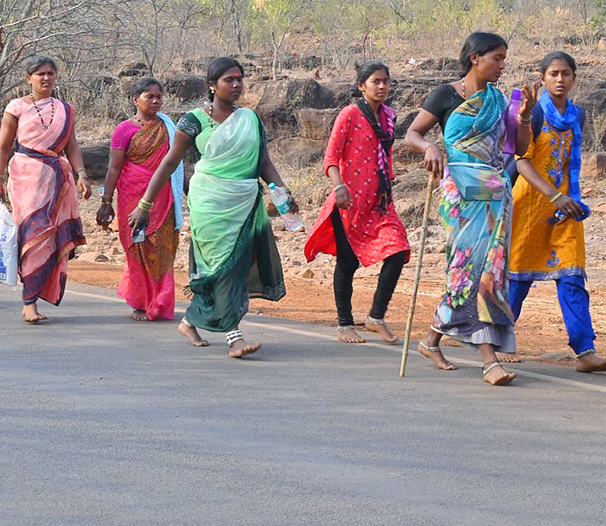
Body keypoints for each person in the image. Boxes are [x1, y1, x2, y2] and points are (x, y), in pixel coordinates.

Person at [130, 58, 293, 357]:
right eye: (229, 79)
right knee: (223, 267)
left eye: (240, 79)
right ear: (211, 85)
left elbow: (263, 163)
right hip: (209, 203)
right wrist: (145, 204)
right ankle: (235, 338)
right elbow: (169, 162)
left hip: (244, 202)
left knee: (237, 266)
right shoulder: (194, 120)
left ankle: (191, 321)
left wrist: (281, 192)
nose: (236, 85)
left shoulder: (251, 120)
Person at [405, 32, 536, 386]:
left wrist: (524, 117)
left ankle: (432, 338)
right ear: (475, 57)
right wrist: (429, 147)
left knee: (483, 268)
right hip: (460, 191)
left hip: (494, 193)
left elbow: (519, 148)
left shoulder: (500, 100)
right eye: (497, 57)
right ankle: (489, 360)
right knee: (472, 267)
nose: (502, 65)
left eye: (504, 58)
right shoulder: (445, 95)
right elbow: (412, 134)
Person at [505, 51, 605, 373]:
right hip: (532, 205)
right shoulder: (533, 113)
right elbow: (521, 160)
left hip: (567, 207)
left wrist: (565, 199)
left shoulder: (578, 114)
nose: (560, 79)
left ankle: (585, 352)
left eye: (566, 73)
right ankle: (497, 342)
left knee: (572, 276)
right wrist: (553, 195)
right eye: (553, 74)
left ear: (574, 77)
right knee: (517, 280)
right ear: (543, 78)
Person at [303, 61, 411, 344]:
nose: (383, 86)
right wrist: (338, 185)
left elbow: (384, 153)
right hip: (349, 200)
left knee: (399, 251)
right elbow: (331, 155)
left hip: (380, 202)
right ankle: (344, 324)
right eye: (376, 81)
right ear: (362, 85)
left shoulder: (389, 116)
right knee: (348, 262)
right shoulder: (350, 114)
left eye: (386, 81)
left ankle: (376, 316)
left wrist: (389, 176)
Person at [0, 55, 90, 323]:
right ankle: (29, 302)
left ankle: (33, 298)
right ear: (28, 78)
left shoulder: (64, 109)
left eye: (50, 73)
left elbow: (72, 146)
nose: (46, 78)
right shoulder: (16, 107)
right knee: (33, 236)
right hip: (26, 177)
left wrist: (81, 175)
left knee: (50, 239)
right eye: (40, 74)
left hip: (58, 180)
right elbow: (3, 146)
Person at [97, 77, 184, 322]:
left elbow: (175, 164)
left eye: (159, 96)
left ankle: (159, 301)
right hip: (131, 195)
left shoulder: (167, 126)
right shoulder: (124, 129)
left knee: (162, 248)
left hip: (162, 196)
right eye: (149, 96)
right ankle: (139, 301)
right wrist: (106, 201)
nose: (156, 101)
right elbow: (114, 168)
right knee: (138, 247)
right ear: (136, 100)